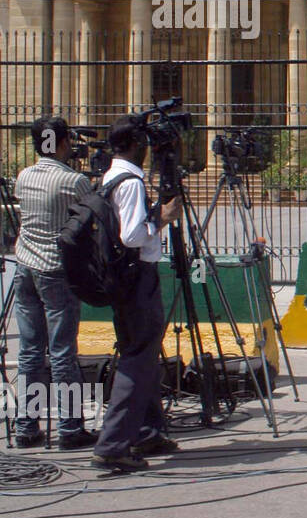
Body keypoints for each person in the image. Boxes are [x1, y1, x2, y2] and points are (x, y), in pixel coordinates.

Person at [90, 117, 184, 473]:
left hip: (122, 279)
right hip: (137, 278)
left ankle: (147, 430)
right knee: (137, 357)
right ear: (134, 144)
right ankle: (113, 444)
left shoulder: (109, 176)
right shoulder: (129, 182)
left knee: (143, 354)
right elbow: (132, 235)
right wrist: (162, 216)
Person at [10, 117, 97, 450]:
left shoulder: (24, 177)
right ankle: (70, 426)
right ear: (63, 143)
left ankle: (26, 426)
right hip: (55, 270)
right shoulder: (72, 182)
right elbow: (90, 222)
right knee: (62, 353)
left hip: (25, 266)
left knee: (31, 352)